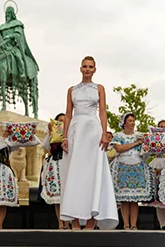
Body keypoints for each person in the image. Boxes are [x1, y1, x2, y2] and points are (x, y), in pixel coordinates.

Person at [60, 56, 118, 230]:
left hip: (93, 131)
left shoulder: (99, 88)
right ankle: (75, 220)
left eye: (90, 67)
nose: (87, 69)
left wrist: (104, 133)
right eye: (84, 66)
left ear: (94, 69)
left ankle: (93, 220)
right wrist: (64, 137)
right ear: (80, 69)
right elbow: (68, 114)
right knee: (75, 174)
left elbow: (102, 113)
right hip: (76, 131)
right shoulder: (72, 89)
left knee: (93, 173)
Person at [111, 113, 155, 230]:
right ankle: (126, 224)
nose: (133, 123)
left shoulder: (140, 135)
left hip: (137, 166)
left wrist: (148, 145)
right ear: (124, 123)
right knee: (124, 198)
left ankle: (134, 225)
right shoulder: (118, 136)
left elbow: (146, 150)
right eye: (130, 120)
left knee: (135, 198)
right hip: (123, 167)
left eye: (133, 120)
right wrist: (136, 143)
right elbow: (119, 149)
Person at [41, 113, 67, 229]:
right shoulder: (53, 133)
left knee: (68, 195)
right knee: (58, 197)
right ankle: (61, 223)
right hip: (56, 163)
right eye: (60, 121)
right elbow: (46, 146)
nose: (62, 123)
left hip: (67, 163)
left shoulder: (72, 132)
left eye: (64, 120)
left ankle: (68, 222)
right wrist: (50, 132)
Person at [0, 5, 38, 79]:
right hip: (3, 47)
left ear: (13, 14)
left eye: (9, 13)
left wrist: (10, 36)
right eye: (6, 13)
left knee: (18, 56)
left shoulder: (17, 23)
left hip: (13, 46)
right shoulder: (1, 27)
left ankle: (22, 72)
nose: (7, 15)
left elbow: (18, 34)